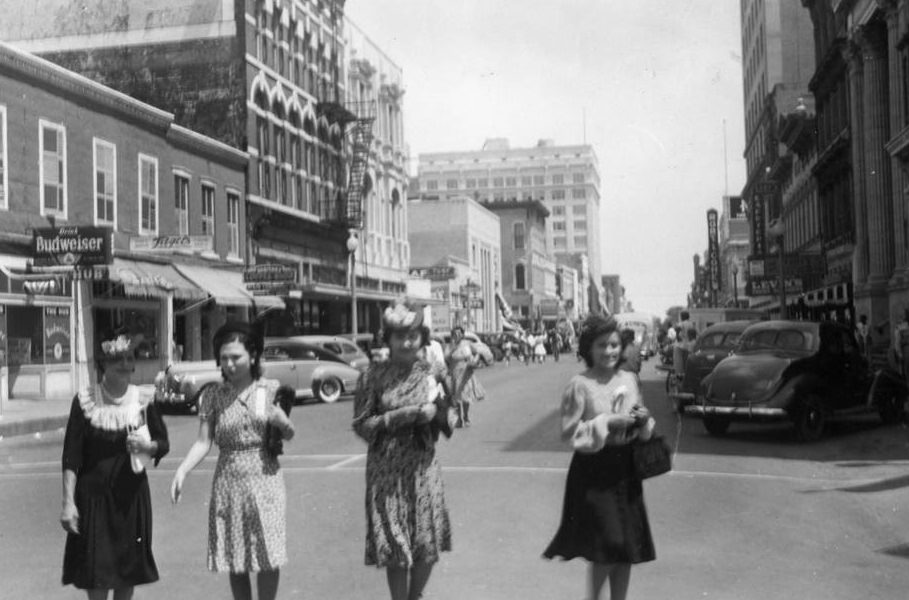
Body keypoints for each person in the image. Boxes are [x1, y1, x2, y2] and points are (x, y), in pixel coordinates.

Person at [170, 321, 295, 600]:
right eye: (224, 358)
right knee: (235, 556)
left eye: (236, 357)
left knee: (267, 554)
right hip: (228, 483)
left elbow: (287, 434)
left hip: (265, 480)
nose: (229, 364)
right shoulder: (213, 395)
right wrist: (182, 470)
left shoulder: (269, 389)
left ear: (253, 355)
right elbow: (203, 442)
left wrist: (283, 423)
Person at [543, 314, 656, 600]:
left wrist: (644, 420)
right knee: (608, 544)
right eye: (602, 345)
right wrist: (606, 422)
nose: (609, 351)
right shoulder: (579, 384)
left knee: (626, 546)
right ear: (589, 349)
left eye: (614, 345)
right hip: (594, 471)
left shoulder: (629, 379)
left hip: (626, 469)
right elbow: (569, 433)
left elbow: (642, 421)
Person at [352, 300, 453, 600]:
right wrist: (398, 416)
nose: (407, 343)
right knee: (395, 548)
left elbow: (450, 415)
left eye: (412, 336)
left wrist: (438, 414)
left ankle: (414, 596)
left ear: (422, 338)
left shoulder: (433, 372)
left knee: (426, 544)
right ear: (388, 338)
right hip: (386, 470)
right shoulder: (372, 376)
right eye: (399, 336)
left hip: (423, 468)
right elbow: (362, 425)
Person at [61, 330, 170, 599]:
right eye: (116, 359)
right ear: (103, 364)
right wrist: (68, 503)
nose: (124, 364)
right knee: (96, 576)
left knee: (126, 573)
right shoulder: (85, 401)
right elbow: (71, 455)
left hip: (131, 500)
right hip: (93, 501)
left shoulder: (144, 400)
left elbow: (163, 443)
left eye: (129, 358)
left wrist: (147, 446)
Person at [447, 326, 493, 427]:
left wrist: (474, 361)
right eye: (455, 333)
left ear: (463, 334)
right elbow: (447, 358)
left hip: (466, 374)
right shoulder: (450, 346)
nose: (457, 335)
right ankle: (459, 419)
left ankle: (466, 416)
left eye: (459, 333)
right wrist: (452, 349)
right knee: (456, 398)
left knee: (465, 397)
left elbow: (478, 353)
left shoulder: (467, 343)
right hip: (455, 374)